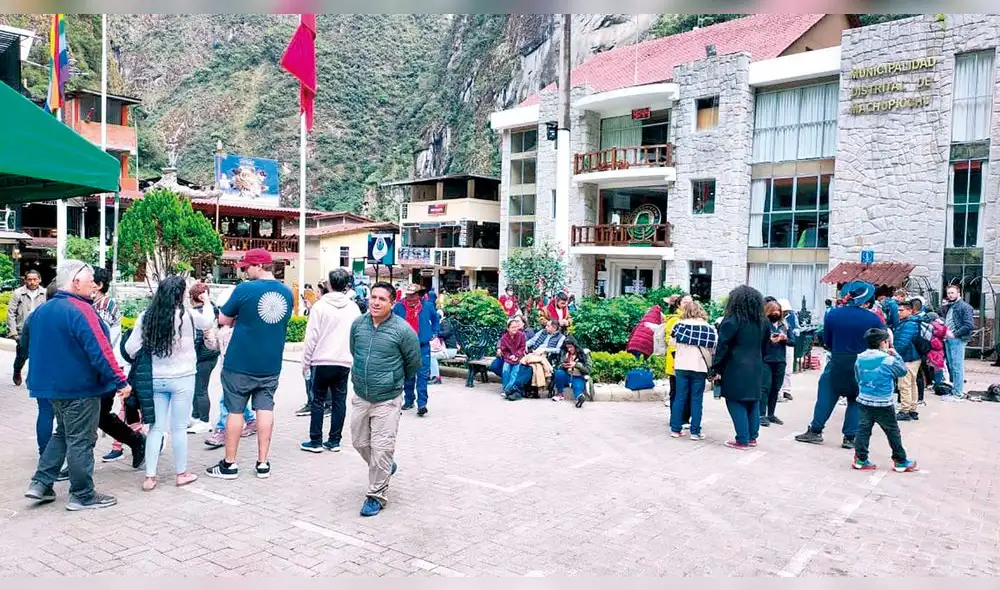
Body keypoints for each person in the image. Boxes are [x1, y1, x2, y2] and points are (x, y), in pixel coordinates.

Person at [23, 260, 130, 511]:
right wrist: (120, 381)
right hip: (79, 388)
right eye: (90, 279)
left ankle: (41, 483)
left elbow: (26, 345)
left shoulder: (42, 311)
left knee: (63, 433)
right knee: (81, 439)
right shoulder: (80, 310)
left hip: (52, 388)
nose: (94, 284)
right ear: (76, 282)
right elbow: (101, 350)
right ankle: (82, 494)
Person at [206, 249, 293, 480]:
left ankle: (230, 464)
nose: (244, 271)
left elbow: (223, 319)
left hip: (240, 362)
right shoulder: (287, 292)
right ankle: (263, 463)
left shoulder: (244, 289)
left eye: (246, 267)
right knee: (265, 409)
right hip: (271, 362)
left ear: (258, 266)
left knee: (235, 411)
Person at [125, 276, 213, 490]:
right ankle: (181, 473)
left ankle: (150, 477)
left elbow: (130, 349)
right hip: (183, 377)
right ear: (181, 294)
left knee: (155, 427)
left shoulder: (146, 317)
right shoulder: (190, 316)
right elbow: (209, 321)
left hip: (156, 378)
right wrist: (207, 300)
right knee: (179, 428)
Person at [349, 282, 421, 516]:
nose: (375, 302)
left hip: (387, 399)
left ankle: (376, 495)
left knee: (381, 448)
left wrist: (392, 380)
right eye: (373, 297)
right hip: (361, 395)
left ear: (392, 303)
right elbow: (354, 351)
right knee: (359, 442)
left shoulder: (403, 330)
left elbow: (413, 363)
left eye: (382, 299)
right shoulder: (358, 325)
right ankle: (386, 466)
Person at [795, 281, 883, 449]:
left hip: (838, 358)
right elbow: (879, 342)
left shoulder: (833, 314)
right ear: (867, 301)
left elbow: (826, 341)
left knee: (827, 393)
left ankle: (815, 430)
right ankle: (850, 437)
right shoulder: (873, 319)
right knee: (856, 399)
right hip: (864, 363)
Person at [300, 268, 360, 453]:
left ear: (329, 284)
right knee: (339, 401)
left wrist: (305, 362)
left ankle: (316, 440)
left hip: (322, 359)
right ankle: (334, 441)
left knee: (318, 400)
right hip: (344, 361)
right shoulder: (353, 308)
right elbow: (358, 335)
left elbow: (312, 337)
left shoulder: (320, 306)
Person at [92, 268, 147, 468]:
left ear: (98, 285)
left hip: (108, 368)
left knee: (107, 413)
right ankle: (131, 441)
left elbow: (100, 340)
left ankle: (131, 441)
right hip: (103, 369)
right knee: (102, 415)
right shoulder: (92, 304)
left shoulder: (105, 305)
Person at [852, 328, 918, 472]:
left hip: (864, 399)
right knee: (892, 431)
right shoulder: (888, 360)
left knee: (863, 429)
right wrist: (897, 355)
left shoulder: (860, 358)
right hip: (883, 402)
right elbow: (902, 371)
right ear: (884, 343)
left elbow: (858, 377)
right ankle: (900, 460)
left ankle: (860, 459)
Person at [711, 286, 769, 450]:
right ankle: (752, 437)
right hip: (757, 366)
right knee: (753, 402)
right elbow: (765, 346)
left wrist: (715, 368)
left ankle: (742, 439)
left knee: (735, 401)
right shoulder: (763, 322)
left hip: (735, 366)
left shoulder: (731, 320)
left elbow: (722, 347)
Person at [21, 282, 60, 458]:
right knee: (64, 416)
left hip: (39, 372)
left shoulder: (34, 316)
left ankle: (44, 452)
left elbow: (23, 346)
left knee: (45, 412)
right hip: (62, 374)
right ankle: (60, 454)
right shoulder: (69, 315)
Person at [669, 300, 717, 439]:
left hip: (681, 366)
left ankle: (675, 429)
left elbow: (673, 343)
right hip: (699, 367)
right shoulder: (709, 328)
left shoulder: (679, 325)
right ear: (701, 311)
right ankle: (695, 432)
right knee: (696, 399)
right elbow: (713, 348)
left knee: (680, 397)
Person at [393, 283, 438, 417]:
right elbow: (392, 322)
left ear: (419, 295)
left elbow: (436, 319)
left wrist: (434, 332)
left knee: (423, 376)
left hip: (423, 346)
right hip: (405, 346)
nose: (410, 297)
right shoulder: (399, 306)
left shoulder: (428, 306)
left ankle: (422, 404)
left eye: (413, 295)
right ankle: (409, 400)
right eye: (408, 295)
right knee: (408, 376)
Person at [186, 282, 219, 435]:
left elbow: (197, 338)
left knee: (200, 389)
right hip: (211, 354)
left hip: (203, 355)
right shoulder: (214, 309)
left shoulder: (198, 313)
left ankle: (205, 421)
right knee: (197, 387)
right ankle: (196, 417)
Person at [9, 269, 45, 386]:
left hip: (40, 330)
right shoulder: (18, 293)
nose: (32, 282)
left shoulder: (45, 293)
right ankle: (17, 370)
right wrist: (13, 332)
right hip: (23, 330)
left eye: (35, 279)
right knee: (22, 355)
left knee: (38, 356)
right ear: (25, 280)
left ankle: (32, 379)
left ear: (39, 280)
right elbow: (11, 313)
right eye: (29, 279)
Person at [760, 301, 793, 428]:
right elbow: (759, 341)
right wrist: (769, 340)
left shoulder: (784, 325)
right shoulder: (764, 324)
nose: (776, 313)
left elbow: (793, 341)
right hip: (766, 360)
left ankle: (771, 414)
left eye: (778, 311)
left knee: (776, 388)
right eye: (773, 311)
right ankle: (761, 414)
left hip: (780, 360)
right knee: (765, 387)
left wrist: (784, 339)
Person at [890, 300, 924, 422]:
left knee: (904, 384)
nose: (898, 313)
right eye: (898, 310)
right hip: (913, 357)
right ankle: (912, 409)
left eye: (901, 310)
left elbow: (902, 342)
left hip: (908, 357)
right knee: (912, 384)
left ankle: (905, 410)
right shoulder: (909, 322)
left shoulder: (909, 324)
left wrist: (894, 353)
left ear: (910, 310)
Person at [940, 284, 974, 401]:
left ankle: (958, 393)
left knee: (957, 366)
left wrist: (955, 334)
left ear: (958, 293)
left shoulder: (964, 307)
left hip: (957, 339)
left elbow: (969, 325)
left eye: (952, 293)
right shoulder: (950, 306)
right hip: (948, 338)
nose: (950, 295)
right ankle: (955, 390)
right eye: (948, 293)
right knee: (951, 366)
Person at [522, 319, 565, 392]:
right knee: (534, 366)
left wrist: (545, 350)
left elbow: (558, 350)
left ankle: (534, 388)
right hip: (535, 353)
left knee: (535, 366)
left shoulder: (561, 337)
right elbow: (532, 340)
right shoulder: (542, 332)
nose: (546, 327)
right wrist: (525, 344)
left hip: (548, 357)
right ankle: (539, 386)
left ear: (554, 328)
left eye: (548, 326)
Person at [552, 335, 590, 407]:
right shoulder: (564, 353)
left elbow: (588, 369)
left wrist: (576, 365)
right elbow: (559, 365)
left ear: (575, 346)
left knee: (578, 388)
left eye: (571, 347)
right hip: (567, 375)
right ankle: (559, 394)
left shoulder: (583, 354)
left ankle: (579, 398)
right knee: (559, 373)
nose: (569, 349)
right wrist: (563, 365)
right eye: (567, 347)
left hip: (578, 376)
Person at [428, 308, 460, 385]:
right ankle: (429, 375)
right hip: (443, 349)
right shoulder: (440, 323)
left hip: (450, 350)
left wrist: (434, 332)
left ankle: (436, 378)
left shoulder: (445, 323)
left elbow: (445, 333)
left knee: (432, 356)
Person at [498, 317, 526, 400]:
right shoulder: (504, 337)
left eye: (516, 327)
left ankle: (507, 390)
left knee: (515, 372)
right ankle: (505, 389)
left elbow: (522, 347)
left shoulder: (521, 335)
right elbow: (504, 350)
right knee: (505, 370)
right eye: (512, 327)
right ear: (508, 328)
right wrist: (510, 356)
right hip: (508, 357)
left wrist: (517, 355)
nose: (515, 329)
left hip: (518, 357)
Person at [777, 298, 797, 401]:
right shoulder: (774, 320)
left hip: (787, 346)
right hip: (778, 347)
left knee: (788, 370)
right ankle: (778, 392)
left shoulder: (790, 319)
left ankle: (786, 390)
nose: (786, 313)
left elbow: (792, 337)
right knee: (780, 371)